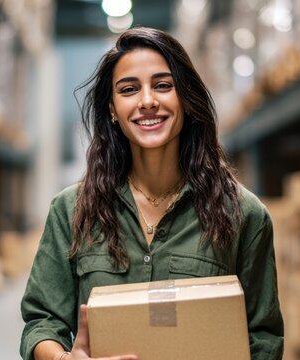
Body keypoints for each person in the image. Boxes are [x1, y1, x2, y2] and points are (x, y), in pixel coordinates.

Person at [20, 27, 284, 360]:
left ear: (185, 100)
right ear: (113, 109)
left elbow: (264, 337)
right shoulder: (71, 210)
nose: (148, 101)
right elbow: (42, 322)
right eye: (129, 89)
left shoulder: (243, 214)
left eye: (163, 85)